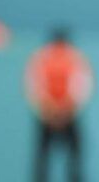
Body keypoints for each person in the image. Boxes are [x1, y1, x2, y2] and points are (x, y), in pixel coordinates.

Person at [25, 29, 93, 182]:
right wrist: (55, 109)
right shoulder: (45, 58)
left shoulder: (71, 58)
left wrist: (59, 109)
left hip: (59, 114)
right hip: (52, 114)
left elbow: (80, 86)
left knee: (72, 156)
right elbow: (35, 85)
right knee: (44, 158)